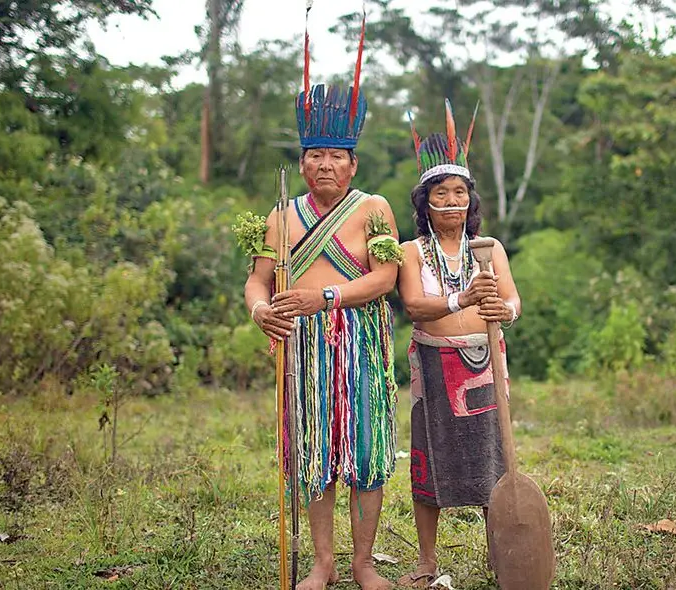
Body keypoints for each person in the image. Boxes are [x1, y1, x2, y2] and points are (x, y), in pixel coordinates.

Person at [244, 18, 403, 590]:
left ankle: (363, 562)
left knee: (364, 450)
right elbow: (258, 281)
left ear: (353, 164)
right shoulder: (281, 215)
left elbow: (385, 278)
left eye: (337, 155)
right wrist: (261, 311)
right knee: (313, 453)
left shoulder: (374, 208)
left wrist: (325, 297)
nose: (326, 165)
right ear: (303, 161)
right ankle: (323, 563)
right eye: (316, 155)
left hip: (359, 343)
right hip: (303, 350)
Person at [395, 102, 522, 587]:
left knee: (494, 458)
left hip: (484, 363)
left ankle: (500, 555)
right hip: (434, 364)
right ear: (425, 203)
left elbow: (513, 300)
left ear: (471, 200)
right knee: (429, 462)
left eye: (460, 192)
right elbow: (414, 305)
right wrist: (461, 298)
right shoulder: (411, 252)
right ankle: (427, 560)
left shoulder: (489, 248)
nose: (452, 201)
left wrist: (504, 312)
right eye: (441, 193)